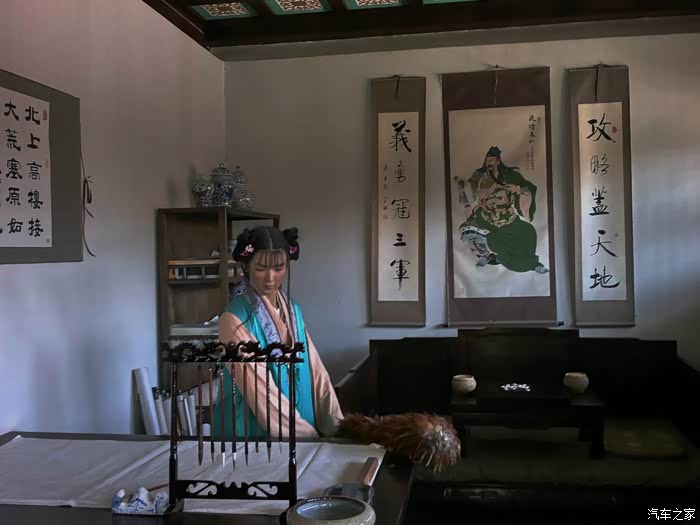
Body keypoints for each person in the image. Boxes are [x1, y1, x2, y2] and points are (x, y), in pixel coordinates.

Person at [212, 226, 343, 441]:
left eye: (279, 268)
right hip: (254, 433)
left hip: (302, 425)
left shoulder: (293, 310)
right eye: (261, 268)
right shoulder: (234, 319)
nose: (270, 278)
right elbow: (262, 394)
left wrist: (336, 426)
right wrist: (310, 438)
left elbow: (316, 371)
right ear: (246, 266)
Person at [454, 146, 548, 274]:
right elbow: (472, 197)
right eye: (487, 161)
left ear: (498, 161)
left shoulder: (509, 176)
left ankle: (533, 263)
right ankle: (498, 257)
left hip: (507, 217)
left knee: (528, 231)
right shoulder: (479, 178)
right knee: (497, 240)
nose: (489, 163)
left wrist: (518, 189)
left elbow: (529, 188)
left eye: (492, 160)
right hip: (488, 219)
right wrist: (463, 189)